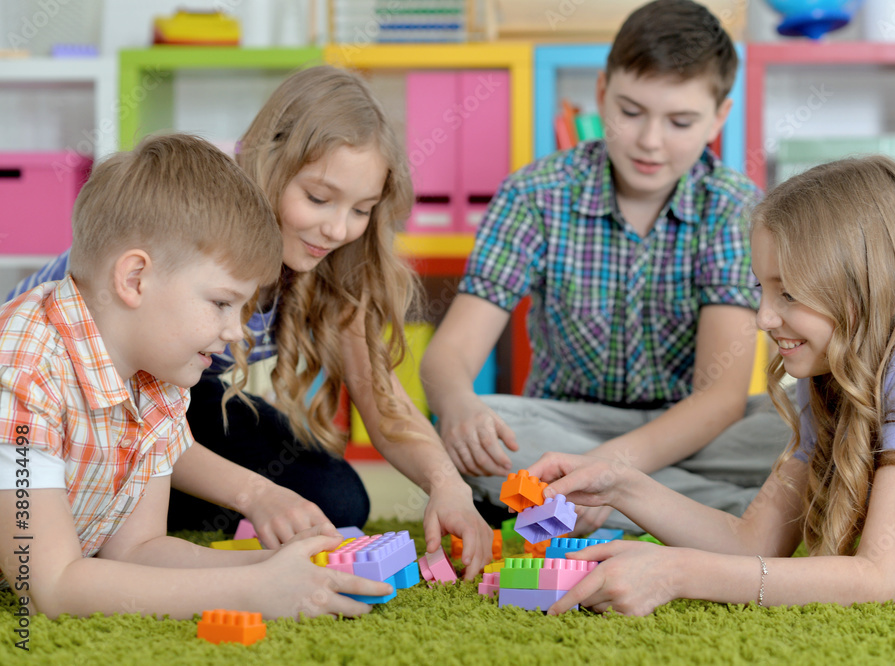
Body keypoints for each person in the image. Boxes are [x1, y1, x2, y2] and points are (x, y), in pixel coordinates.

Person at [9, 66, 493, 577]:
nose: (336, 228)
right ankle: (103, 505)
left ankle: (135, 507)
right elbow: (134, 400)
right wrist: (253, 494)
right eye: (318, 198)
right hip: (86, 386)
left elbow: (382, 398)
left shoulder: (332, 264)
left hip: (177, 390)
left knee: (334, 499)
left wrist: (448, 484)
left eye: (362, 209)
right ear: (270, 163)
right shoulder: (204, 227)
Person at [527, 154, 895, 615]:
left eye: (789, 292)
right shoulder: (829, 365)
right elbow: (751, 541)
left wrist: (678, 573)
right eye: (761, 288)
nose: (763, 318)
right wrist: (621, 487)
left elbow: (881, 576)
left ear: (866, 285)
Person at [420, 0, 789, 534]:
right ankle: (727, 511)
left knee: (809, 425)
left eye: (680, 121)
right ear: (600, 93)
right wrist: (458, 408)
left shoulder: (733, 207)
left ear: (719, 117)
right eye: (631, 111)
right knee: (469, 439)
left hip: (696, 429)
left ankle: (600, 500)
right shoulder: (536, 192)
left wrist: (608, 468)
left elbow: (719, 399)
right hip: (564, 424)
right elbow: (448, 355)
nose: (649, 141)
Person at [0, 134, 393, 618]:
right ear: (134, 279)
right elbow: (53, 588)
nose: (234, 331)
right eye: (222, 303)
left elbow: (138, 550)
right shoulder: (22, 372)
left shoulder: (158, 371)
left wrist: (271, 567)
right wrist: (251, 593)